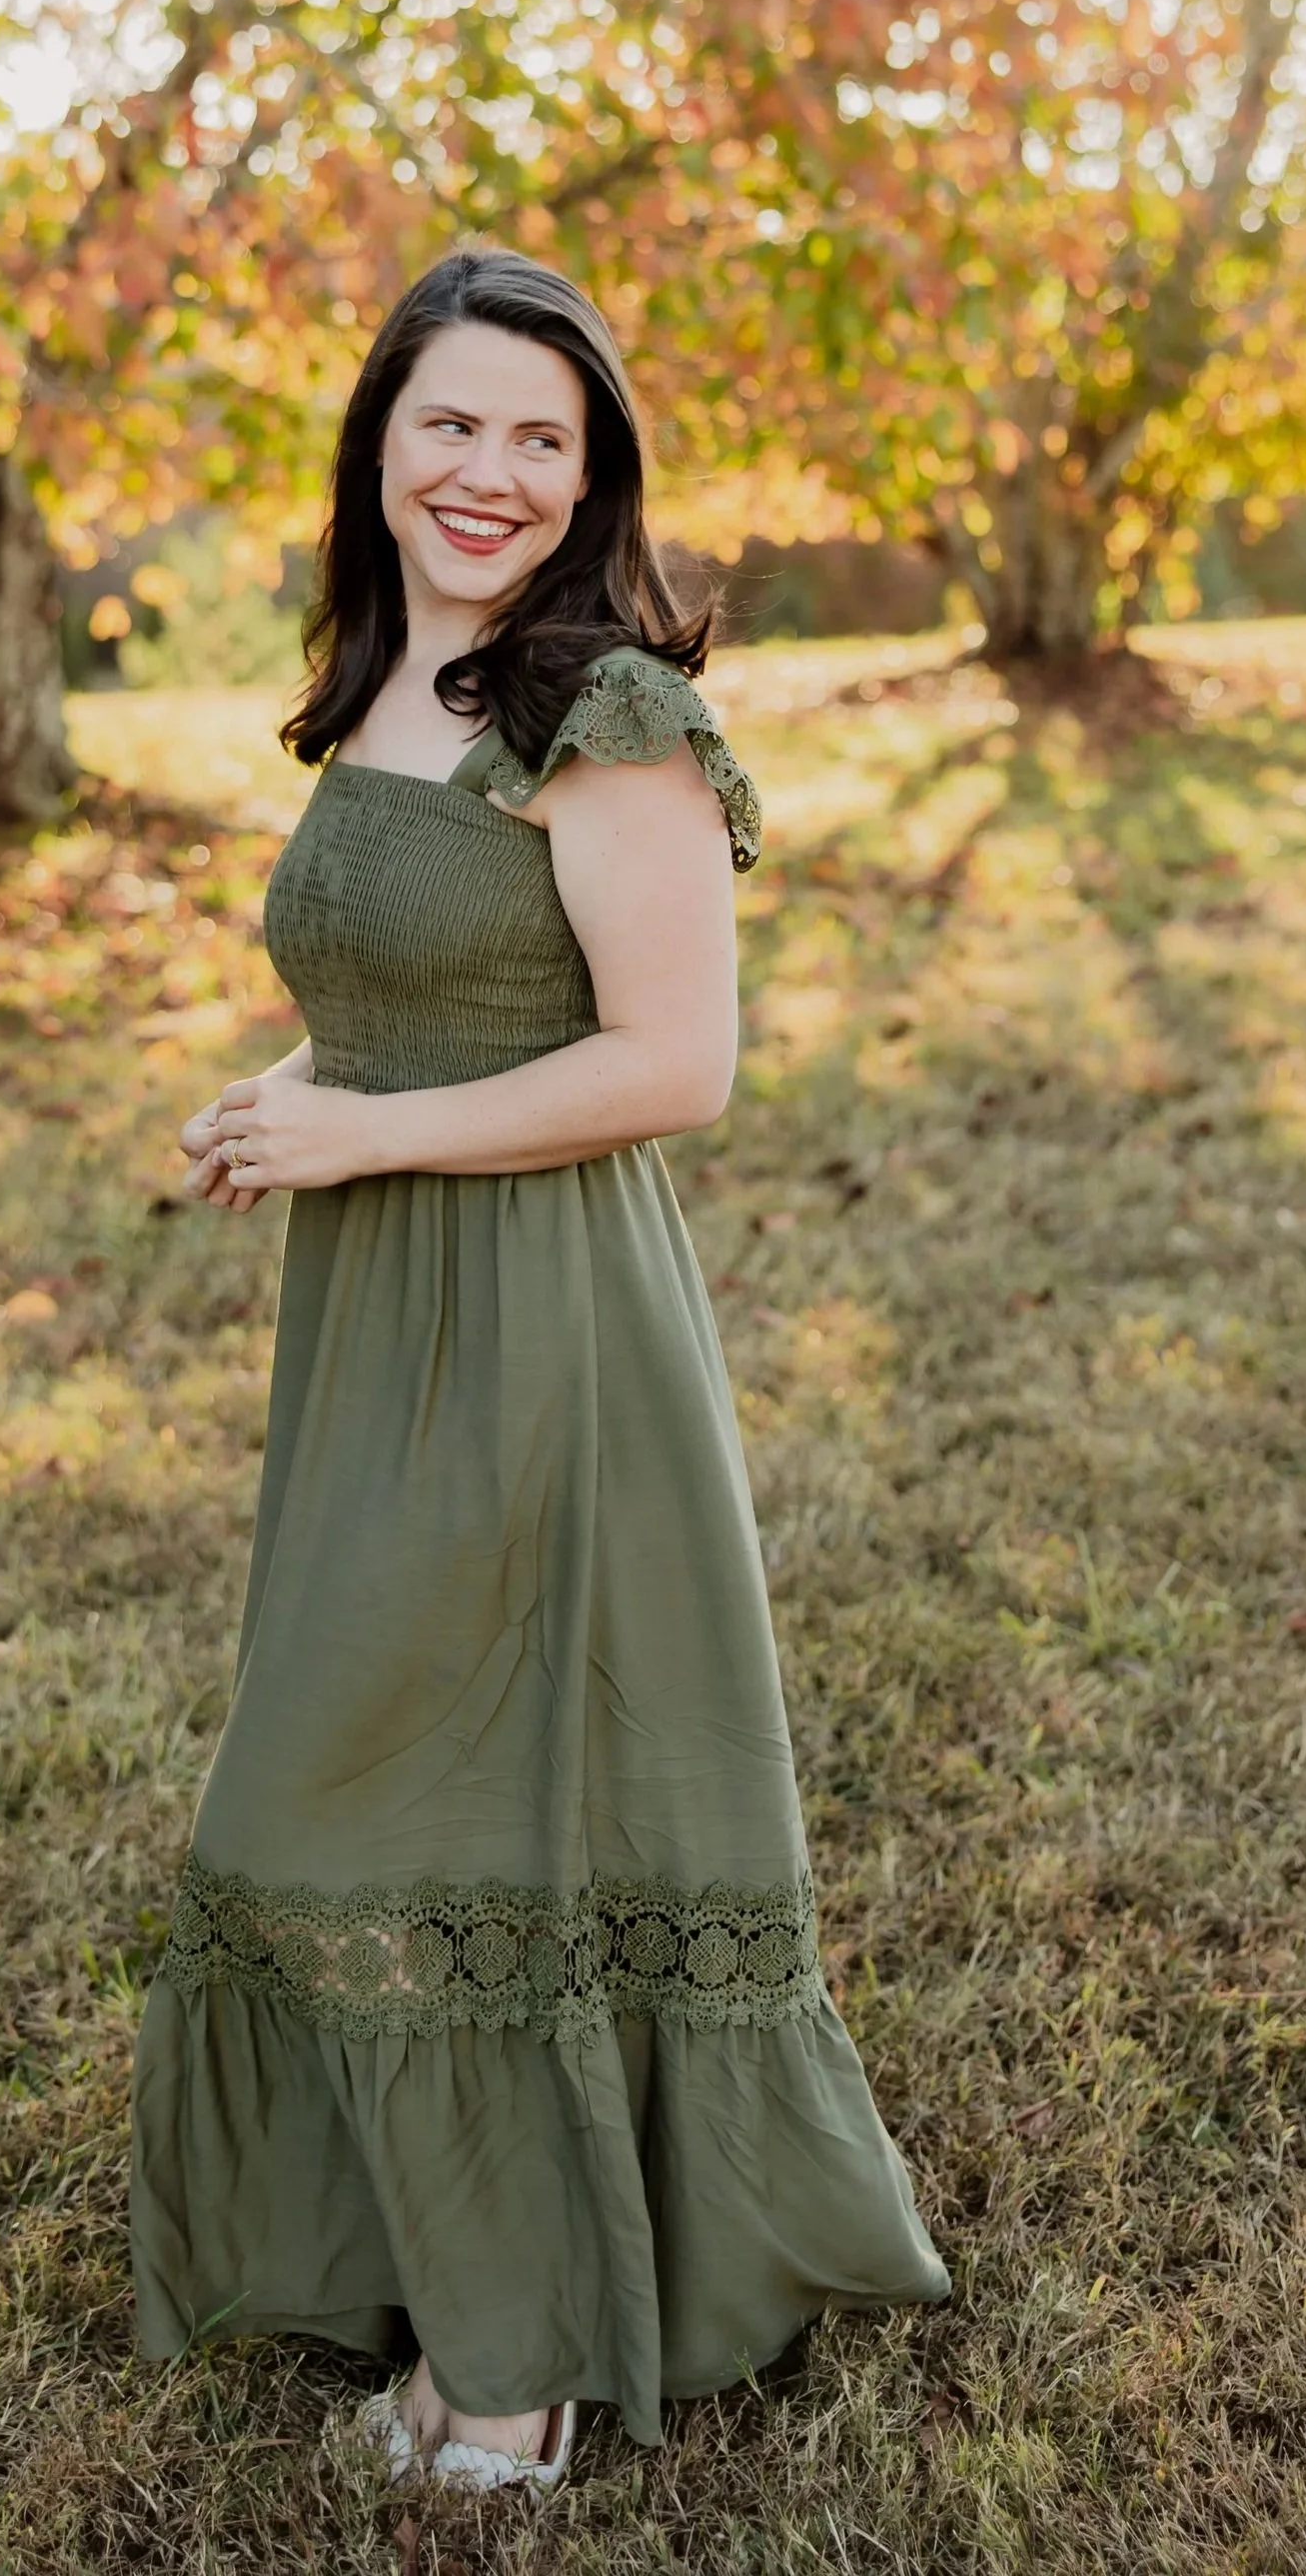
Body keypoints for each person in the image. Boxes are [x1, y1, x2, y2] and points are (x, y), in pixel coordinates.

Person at [130, 246, 946, 2494]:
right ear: (376, 443)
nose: (487, 472)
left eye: (538, 438)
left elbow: (675, 1064)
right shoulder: (393, 682)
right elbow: (434, 984)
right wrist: (288, 1084)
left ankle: (515, 2371)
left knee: (362, 1783)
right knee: (426, 1790)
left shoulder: (607, 710)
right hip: (386, 1306)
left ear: (591, 478)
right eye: (449, 423)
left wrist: (363, 1127)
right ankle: (489, 2266)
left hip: (543, 1323)